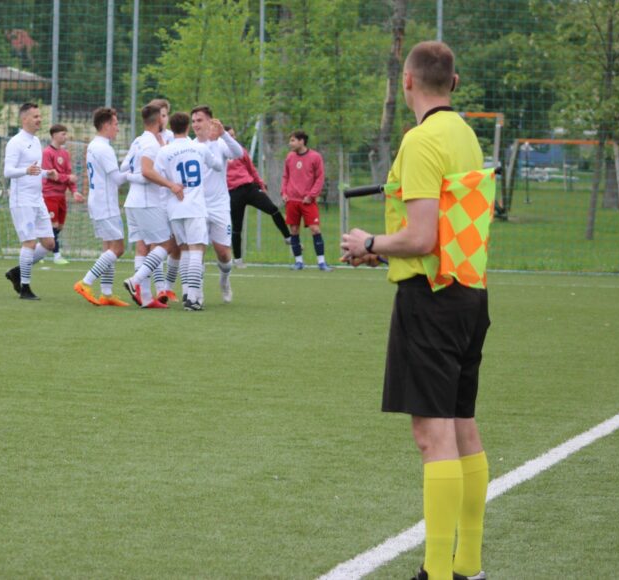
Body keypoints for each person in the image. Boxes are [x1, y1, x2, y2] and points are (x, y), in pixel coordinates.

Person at [341, 41, 490, 580]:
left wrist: (369, 241)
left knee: (433, 434)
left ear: (407, 81)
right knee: (463, 426)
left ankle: (438, 573)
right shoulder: (464, 134)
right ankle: (467, 565)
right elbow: (445, 229)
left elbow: (423, 236)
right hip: (468, 291)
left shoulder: (421, 139)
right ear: (454, 82)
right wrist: (383, 251)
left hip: (432, 299)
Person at [154, 112, 224, 311]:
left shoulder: (164, 151)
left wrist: (170, 188)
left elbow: (157, 178)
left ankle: (186, 292)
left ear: (172, 128)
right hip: (194, 206)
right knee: (196, 250)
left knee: (184, 249)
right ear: (187, 127)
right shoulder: (200, 148)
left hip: (174, 207)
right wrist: (214, 142)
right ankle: (193, 298)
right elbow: (218, 166)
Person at [122, 104, 185, 309]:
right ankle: (135, 281)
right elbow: (147, 172)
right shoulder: (150, 144)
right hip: (146, 202)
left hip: (133, 201)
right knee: (166, 245)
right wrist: (170, 184)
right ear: (159, 120)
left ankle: (147, 298)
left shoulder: (139, 140)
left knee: (145, 246)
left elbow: (125, 168)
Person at [73, 107, 131, 307]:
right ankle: (86, 282)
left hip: (99, 201)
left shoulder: (94, 145)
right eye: (115, 124)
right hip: (105, 204)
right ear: (106, 125)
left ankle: (106, 293)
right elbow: (117, 179)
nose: (117, 128)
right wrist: (138, 170)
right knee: (118, 248)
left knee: (108, 247)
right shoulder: (104, 148)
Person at [3, 103, 56, 300]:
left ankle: (17, 271)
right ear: (24, 119)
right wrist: (26, 170)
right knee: (30, 243)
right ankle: (25, 288)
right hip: (22, 200)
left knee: (49, 243)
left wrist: (47, 173)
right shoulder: (15, 142)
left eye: (40, 116)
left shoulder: (36, 141)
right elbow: (8, 171)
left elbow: (34, 170)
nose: (39, 119)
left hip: (37, 199)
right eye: (35, 116)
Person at [190, 105, 243, 303]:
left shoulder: (220, 143)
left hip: (219, 206)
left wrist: (224, 135)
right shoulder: (190, 146)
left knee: (223, 253)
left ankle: (224, 279)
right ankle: (198, 294)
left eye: (200, 120)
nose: (196, 124)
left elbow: (238, 154)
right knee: (198, 251)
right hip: (198, 207)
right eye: (193, 121)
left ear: (210, 121)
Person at [224, 125, 291, 267]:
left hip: (249, 188)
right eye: (229, 135)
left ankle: (288, 237)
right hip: (234, 193)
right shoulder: (219, 153)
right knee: (237, 228)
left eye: (234, 135)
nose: (233, 138)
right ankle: (238, 260)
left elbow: (251, 169)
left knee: (273, 209)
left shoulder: (240, 151)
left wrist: (261, 184)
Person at [282, 130, 333, 271]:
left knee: (315, 229)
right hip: (292, 200)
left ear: (301, 141)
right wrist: (284, 192)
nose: (290, 143)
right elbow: (285, 176)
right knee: (293, 230)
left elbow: (320, 178)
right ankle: (298, 262)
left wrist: (311, 195)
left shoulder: (315, 157)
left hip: (308, 201)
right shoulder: (289, 157)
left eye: (293, 140)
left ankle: (321, 262)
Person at [41, 123, 78, 265]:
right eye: (63, 134)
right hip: (49, 194)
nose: (66, 137)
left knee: (59, 226)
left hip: (61, 195)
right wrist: (68, 178)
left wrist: (74, 191)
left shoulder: (65, 153)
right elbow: (51, 175)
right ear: (54, 135)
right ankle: (56, 255)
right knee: (53, 225)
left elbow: (69, 175)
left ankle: (40, 248)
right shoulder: (47, 153)